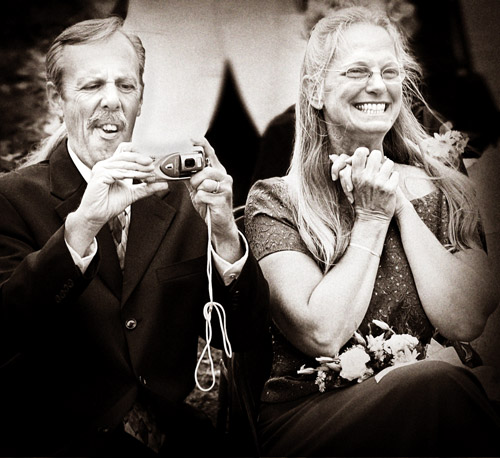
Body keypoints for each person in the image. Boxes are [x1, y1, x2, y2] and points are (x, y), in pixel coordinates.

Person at [0, 16, 269, 457]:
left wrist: (225, 235)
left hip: (171, 439)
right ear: (56, 99)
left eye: (126, 86)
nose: (112, 99)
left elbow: (246, 336)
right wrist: (81, 229)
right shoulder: (11, 198)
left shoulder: (181, 200)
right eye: (92, 85)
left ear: (141, 99)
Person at [245, 6, 500, 456]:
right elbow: (322, 334)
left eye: (390, 71)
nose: (378, 85)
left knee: (439, 386)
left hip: (432, 400)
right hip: (313, 416)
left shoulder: (445, 184)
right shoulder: (275, 200)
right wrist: (371, 219)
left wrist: (397, 200)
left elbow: (466, 320)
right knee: (436, 385)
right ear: (315, 90)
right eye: (357, 71)